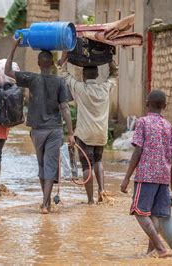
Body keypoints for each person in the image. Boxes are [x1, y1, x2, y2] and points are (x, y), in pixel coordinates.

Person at [5, 37, 75, 214]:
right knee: (50, 165)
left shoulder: (31, 78)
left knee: (42, 166)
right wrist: (71, 133)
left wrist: (13, 48)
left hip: (37, 131)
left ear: (38, 62)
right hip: (54, 130)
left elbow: (7, 71)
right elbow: (65, 108)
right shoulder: (60, 82)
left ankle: (45, 202)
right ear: (52, 63)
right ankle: (46, 203)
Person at [120, 90, 172, 258]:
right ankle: (151, 252)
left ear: (147, 103)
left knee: (139, 212)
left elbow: (137, 151)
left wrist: (126, 178)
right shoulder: (169, 127)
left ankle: (160, 248)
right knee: (154, 214)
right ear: (165, 106)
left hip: (146, 175)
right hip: (163, 177)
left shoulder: (142, 122)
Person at [58, 52, 118, 204]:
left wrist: (65, 59)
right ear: (97, 75)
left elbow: (64, 74)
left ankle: (90, 200)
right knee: (98, 162)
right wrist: (109, 57)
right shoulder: (105, 88)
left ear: (84, 76)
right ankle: (102, 190)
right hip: (101, 134)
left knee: (87, 166)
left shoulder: (80, 88)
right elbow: (114, 74)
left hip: (84, 134)